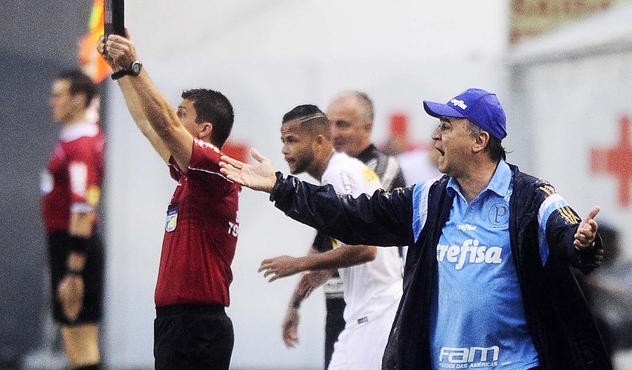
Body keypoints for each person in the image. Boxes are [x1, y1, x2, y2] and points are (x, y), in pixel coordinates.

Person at [220, 88, 611, 369]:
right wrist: (280, 186)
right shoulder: (428, 199)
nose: (435, 136)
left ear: (479, 140)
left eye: (446, 125)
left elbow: (571, 236)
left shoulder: (531, 197)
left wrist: (582, 243)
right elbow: (351, 215)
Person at [98, 32, 239, 370]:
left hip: (198, 324)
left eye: (183, 114)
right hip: (176, 322)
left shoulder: (215, 169)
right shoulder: (192, 176)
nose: (175, 119)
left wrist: (134, 66)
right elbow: (149, 124)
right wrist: (120, 72)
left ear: (204, 129)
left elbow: (163, 123)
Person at [258, 104, 402, 369]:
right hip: (366, 313)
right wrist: (296, 304)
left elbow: (367, 248)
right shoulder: (341, 172)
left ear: (319, 141)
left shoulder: (339, 175)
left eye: (291, 140)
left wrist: (297, 263)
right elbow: (330, 253)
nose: (284, 149)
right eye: (282, 141)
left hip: (377, 313)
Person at [41, 69, 105, 370]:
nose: (51, 101)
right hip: (65, 244)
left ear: (79, 99)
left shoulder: (81, 146)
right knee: (72, 337)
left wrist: (73, 270)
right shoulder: (73, 140)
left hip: (75, 247)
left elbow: (83, 209)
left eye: (58, 95)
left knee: (81, 341)